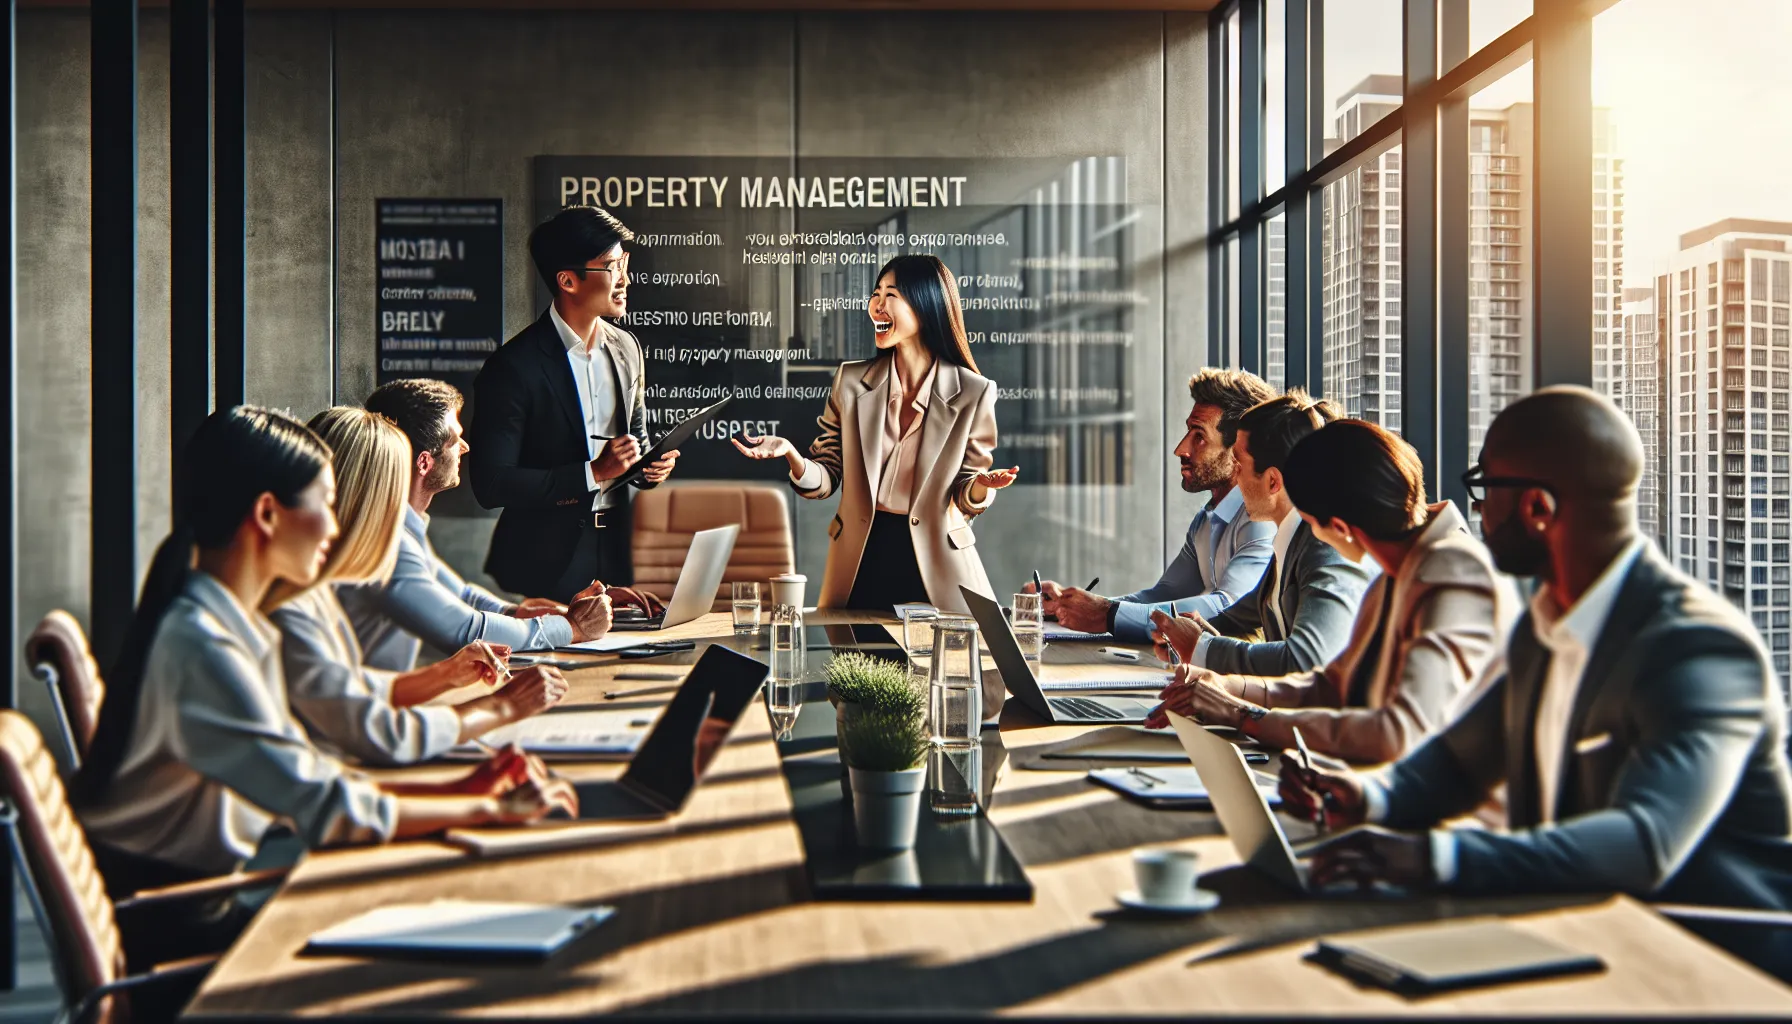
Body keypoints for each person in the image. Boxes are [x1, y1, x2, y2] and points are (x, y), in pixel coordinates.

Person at [1279, 387, 1792, 977]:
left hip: (1704, 967)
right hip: (1568, 935)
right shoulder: (1546, 626)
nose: (1476, 513)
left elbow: (1644, 841)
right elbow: (1461, 761)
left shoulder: (1696, 649)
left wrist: (1435, 857)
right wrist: (1369, 797)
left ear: (1538, 510)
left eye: (1485, 489)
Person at [75, 407, 576, 902]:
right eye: (325, 505)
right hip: (181, 908)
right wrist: (486, 808)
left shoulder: (229, 620)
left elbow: (314, 776)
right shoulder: (203, 644)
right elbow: (327, 805)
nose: (335, 529)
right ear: (268, 514)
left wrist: (459, 795)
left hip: (219, 876)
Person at [1145, 419, 1517, 765]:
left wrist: (1244, 715)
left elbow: (1394, 733)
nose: (1310, 535)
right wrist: (1227, 686)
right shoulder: (1401, 565)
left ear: (1339, 528)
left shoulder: (1453, 575)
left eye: (1308, 523)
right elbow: (1333, 685)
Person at [269, 407, 571, 766]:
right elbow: (378, 736)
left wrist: (445, 674)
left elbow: (352, 689)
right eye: (392, 495)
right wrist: (503, 706)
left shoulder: (306, 598)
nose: (402, 516)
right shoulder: (287, 611)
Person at [731, 254, 1019, 613]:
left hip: (939, 564)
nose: (876, 306)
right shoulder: (850, 382)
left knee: (937, 668)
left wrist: (982, 487)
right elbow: (826, 478)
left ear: (926, 304)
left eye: (890, 295)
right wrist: (792, 455)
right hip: (862, 558)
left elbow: (965, 496)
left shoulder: (974, 392)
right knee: (859, 668)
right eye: (875, 294)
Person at [468, 206, 679, 602]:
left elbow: (636, 443)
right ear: (567, 280)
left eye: (624, 263)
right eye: (612, 266)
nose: (625, 279)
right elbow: (491, 484)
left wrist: (650, 468)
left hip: (615, 554)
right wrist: (592, 472)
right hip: (540, 562)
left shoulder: (627, 348)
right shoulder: (512, 367)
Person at [337, 378, 620, 672]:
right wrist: (571, 627)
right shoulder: (389, 541)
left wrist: (526, 613)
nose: (465, 446)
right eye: (454, 440)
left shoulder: (400, 526)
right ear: (424, 463)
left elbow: (462, 597)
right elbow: (465, 630)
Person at [1034, 368, 1276, 642]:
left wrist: (1105, 614)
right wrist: (1073, 606)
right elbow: (1163, 595)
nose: (1181, 449)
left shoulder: (1261, 521)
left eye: (1199, 436)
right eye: (1188, 432)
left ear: (1238, 449)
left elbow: (1228, 606)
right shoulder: (1206, 519)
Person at [1149, 391, 1373, 676]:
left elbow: (1307, 659)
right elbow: (1233, 619)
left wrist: (1202, 647)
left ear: (1272, 482)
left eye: (1239, 465)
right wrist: (1190, 633)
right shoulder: (1290, 542)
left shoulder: (1326, 548)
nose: (1235, 477)